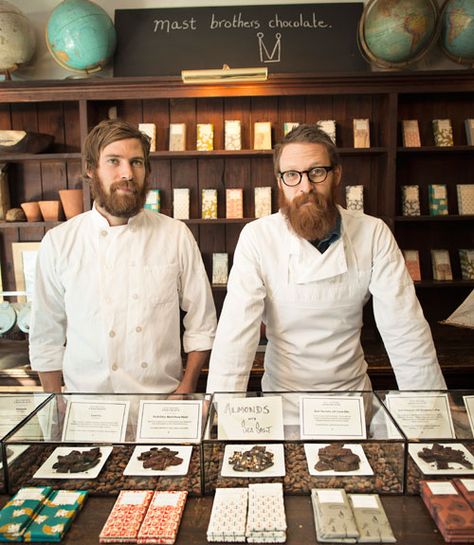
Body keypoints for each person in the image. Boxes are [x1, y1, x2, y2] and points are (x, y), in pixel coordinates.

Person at [206, 124, 446, 393]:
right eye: (292, 175)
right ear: (280, 182)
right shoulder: (257, 237)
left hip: (351, 403)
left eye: (317, 172)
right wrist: (220, 408)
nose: (305, 186)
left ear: (337, 174)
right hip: (284, 403)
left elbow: (405, 329)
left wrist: (431, 410)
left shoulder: (373, 232)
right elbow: (235, 334)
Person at [29, 119, 216, 393]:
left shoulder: (175, 235)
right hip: (86, 409)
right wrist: (55, 402)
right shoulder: (60, 242)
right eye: (114, 161)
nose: (127, 173)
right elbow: (46, 335)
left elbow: (202, 323)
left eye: (137, 162)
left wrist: (186, 389)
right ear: (91, 170)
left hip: (160, 406)